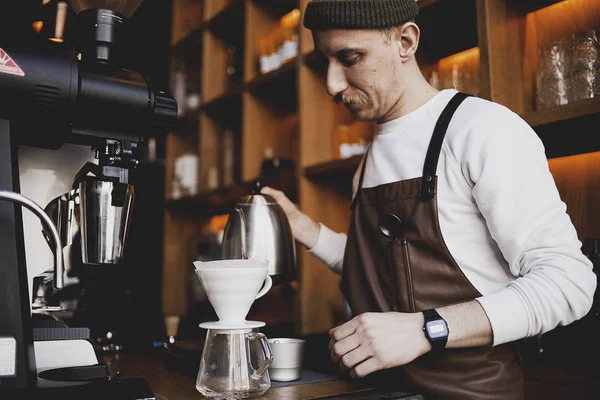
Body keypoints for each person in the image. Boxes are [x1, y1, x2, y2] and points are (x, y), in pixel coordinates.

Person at [262, 0, 597, 398]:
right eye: (327, 62)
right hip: (381, 391)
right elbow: (382, 266)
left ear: (405, 40)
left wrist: (426, 329)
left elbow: (568, 282)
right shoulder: (367, 160)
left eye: (350, 58)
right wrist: (305, 228)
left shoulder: (483, 129)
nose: (332, 83)